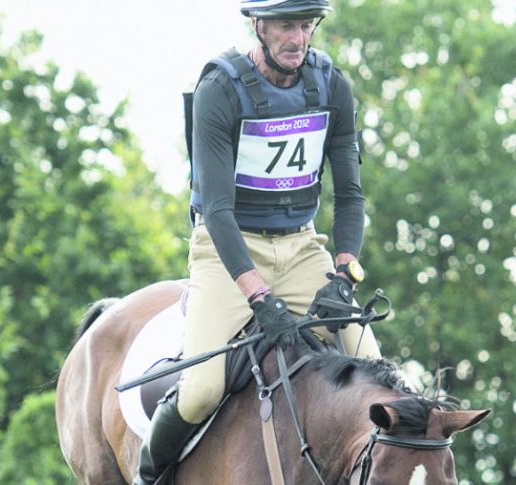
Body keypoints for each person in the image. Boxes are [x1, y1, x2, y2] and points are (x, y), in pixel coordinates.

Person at [133, 1, 381, 483]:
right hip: (226, 251)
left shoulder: (331, 85)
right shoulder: (220, 88)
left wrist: (343, 276)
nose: (298, 39)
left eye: (306, 26)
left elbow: (350, 195)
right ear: (258, 26)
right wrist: (257, 295)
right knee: (202, 389)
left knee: (376, 372)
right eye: (287, 26)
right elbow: (219, 211)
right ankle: (149, 475)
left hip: (303, 248)